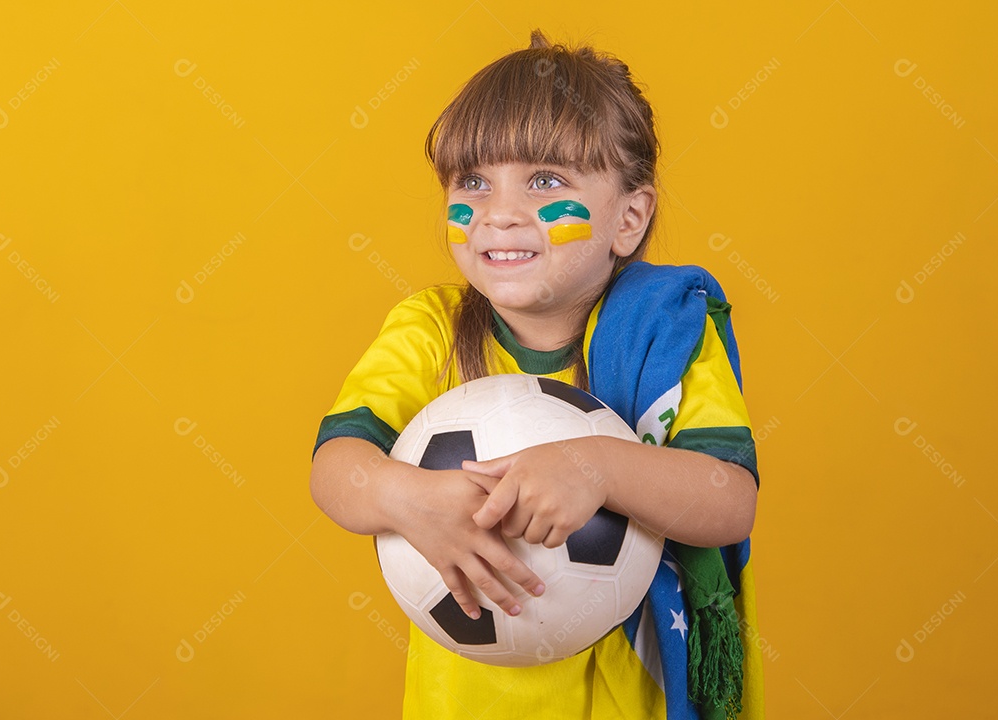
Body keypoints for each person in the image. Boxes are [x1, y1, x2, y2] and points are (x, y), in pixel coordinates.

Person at [310, 29, 764, 720]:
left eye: (545, 180)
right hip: (465, 700)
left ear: (629, 218)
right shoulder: (428, 329)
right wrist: (405, 497)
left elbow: (729, 500)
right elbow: (334, 470)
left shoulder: (664, 333)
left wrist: (599, 469)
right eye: (473, 182)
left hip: (630, 697)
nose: (497, 212)